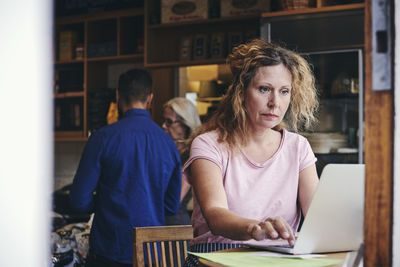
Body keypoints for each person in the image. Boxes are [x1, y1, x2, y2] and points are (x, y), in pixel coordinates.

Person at [182, 39, 320, 266]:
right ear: (241, 92)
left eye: (284, 91)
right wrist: (255, 229)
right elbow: (215, 213)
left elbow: (317, 213)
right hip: (215, 257)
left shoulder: (298, 146)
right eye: (264, 89)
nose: (275, 102)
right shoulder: (208, 145)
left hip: (277, 259)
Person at [69, 69, 182, 267]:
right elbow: (171, 205)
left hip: (109, 249)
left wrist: (105, 202)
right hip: (151, 254)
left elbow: (78, 201)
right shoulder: (168, 144)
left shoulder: (102, 138)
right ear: (150, 99)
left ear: (117, 96)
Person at [162, 97, 202, 225]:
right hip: (163, 219)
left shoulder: (191, 154)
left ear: (185, 124)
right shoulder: (169, 151)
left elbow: (176, 198)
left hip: (174, 223)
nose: (163, 126)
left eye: (169, 122)